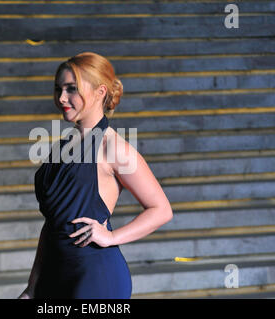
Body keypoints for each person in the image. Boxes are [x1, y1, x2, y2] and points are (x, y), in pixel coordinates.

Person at [18, 52, 173, 299]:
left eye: (71, 89)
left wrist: (111, 236)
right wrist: (33, 285)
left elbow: (161, 209)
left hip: (94, 278)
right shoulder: (62, 146)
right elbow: (52, 224)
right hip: (52, 276)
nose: (61, 98)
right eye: (58, 89)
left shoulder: (114, 147)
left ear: (100, 92)